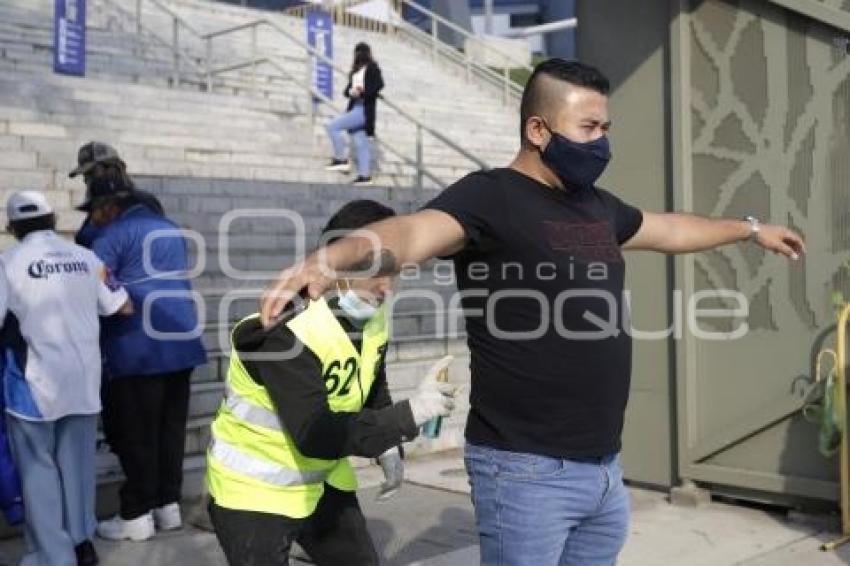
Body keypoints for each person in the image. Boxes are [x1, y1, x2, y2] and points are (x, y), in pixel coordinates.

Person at [259, 59, 807, 565]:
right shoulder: (489, 197)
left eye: (605, 128)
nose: (602, 142)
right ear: (538, 130)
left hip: (603, 471)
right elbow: (410, 233)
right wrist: (334, 256)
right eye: (588, 129)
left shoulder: (598, 207)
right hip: (524, 471)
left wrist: (750, 230)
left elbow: (669, 228)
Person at [206, 200, 457, 566]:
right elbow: (315, 433)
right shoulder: (283, 330)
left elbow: (371, 387)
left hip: (321, 483)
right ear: (335, 262)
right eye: (377, 269)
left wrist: (385, 445)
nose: (387, 286)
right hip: (253, 494)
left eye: (396, 270)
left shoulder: (371, 319)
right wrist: (408, 415)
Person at [0, 191, 131, 566]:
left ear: (11, 227)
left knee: (38, 472)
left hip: (32, 386)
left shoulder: (8, 263)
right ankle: (81, 544)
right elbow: (124, 305)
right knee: (78, 470)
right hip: (84, 382)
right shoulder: (88, 258)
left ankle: (52, 556)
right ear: (54, 220)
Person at [76, 175, 208, 542]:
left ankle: (135, 513)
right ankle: (167, 505)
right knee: (169, 431)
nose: (93, 219)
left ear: (108, 206)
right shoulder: (169, 227)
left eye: (93, 211)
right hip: (180, 342)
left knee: (137, 434)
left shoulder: (113, 235)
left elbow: (94, 278)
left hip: (138, 347)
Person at [69, 141, 164, 248]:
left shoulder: (144, 203)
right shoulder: (98, 205)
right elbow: (84, 241)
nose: (86, 179)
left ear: (112, 169)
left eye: (91, 172)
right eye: (85, 175)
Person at [324, 42, 385, 186]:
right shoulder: (354, 72)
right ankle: (364, 176)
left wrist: (363, 91)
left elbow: (378, 85)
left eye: (362, 52)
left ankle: (341, 159)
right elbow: (346, 91)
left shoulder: (373, 69)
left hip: (364, 110)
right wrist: (352, 91)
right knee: (360, 142)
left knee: (333, 126)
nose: (360, 55)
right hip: (355, 107)